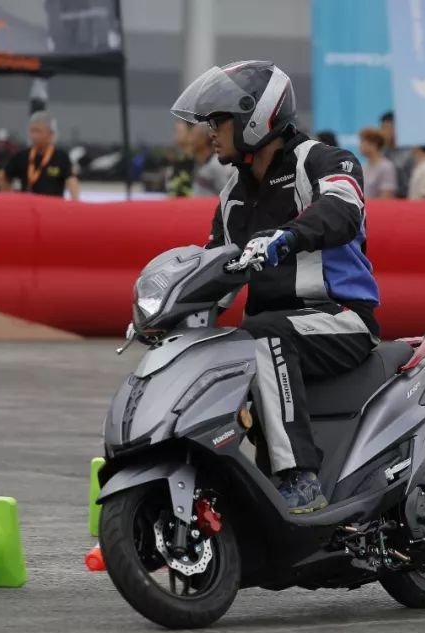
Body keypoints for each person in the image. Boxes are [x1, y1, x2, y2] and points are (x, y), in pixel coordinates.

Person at [171, 60, 379, 513]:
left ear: (255, 117)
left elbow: (343, 209)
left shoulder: (322, 161)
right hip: (272, 332)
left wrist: (287, 236)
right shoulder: (234, 194)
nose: (210, 131)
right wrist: (171, 312)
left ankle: (299, 480)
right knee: (204, 352)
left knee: (263, 333)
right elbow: (215, 269)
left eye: (219, 120)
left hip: (340, 319)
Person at [0, 111, 79, 200]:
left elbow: (71, 180)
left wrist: (75, 202)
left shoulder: (61, 157)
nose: (34, 135)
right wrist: (9, 197)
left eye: (38, 131)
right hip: (27, 207)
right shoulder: (22, 156)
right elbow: (3, 177)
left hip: (52, 207)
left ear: (50, 134)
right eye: (32, 131)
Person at [189, 122, 234, 197]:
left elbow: (227, 194)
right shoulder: (197, 163)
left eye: (193, 135)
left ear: (203, 139)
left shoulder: (217, 164)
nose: (189, 140)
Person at [358, 127, 397, 199]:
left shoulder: (386, 167)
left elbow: (386, 196)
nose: (360, 145)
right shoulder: (363, 167)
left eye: (363, 142)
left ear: (374, 144)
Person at [380, 111, 411, 198]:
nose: (383, 132)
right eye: (382, 128)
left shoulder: (409, 153)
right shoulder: (382, 152)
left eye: (387, 128)